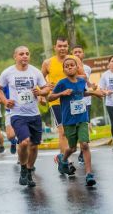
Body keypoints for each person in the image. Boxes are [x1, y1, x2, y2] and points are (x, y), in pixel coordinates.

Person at [0, 46, 50, 187]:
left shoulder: (35, 71)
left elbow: (46, 88)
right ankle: (23, 168)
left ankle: (30, 170)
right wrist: (5, 101)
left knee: (34, 146)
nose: (25, 56)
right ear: (15, 56)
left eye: (27, 54)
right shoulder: (8, 72)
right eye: (21, 54)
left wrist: (40, 92)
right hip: (17, 113)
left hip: (34, 114)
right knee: (24, 141)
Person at [48, 58, 104, 186]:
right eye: (66, 66)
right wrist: (62, 93)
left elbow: (82, 93)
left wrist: (95, 94)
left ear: (77, 67)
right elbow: (50, 97)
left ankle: (89, 174)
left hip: (82, 117)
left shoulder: (81, 80)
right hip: (68, 120)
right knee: (72, 148)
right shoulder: (62, 83)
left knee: (84, 144)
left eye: (71, 65)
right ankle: (63, 158)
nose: (69, 67)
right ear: (64, 70)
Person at [41, 37, 86, 173]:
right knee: (63, 132)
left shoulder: (74, 60)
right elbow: (39, 78)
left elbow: (83, 76)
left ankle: (62, 157)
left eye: (65, 46)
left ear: (68, 47)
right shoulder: (48, 63)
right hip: (57, 101)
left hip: (74, 100)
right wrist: (45, 90)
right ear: (55, 47)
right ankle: (67, 162)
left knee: (77, 130)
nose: (62, 48)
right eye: (60, 46)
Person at [72, 45, 97, 164]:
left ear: (83, 54)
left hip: (85, 100)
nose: (77, 54)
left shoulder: (87, 68)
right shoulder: (68, 67)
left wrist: (92, 86)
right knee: (74, 127)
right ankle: (75, 147)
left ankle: (83, 151)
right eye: (75, 52)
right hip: (72, 100)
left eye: (79, 52)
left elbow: (87, 82)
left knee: (85, 125)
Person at [3, 85, 18, 155]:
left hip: (19, 111)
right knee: (9, 136)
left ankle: (21, 156)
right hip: (8, 111)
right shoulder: (5, 85)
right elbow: (0, 94)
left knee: (14, 134)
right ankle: (13, 143)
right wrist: (5, 101)